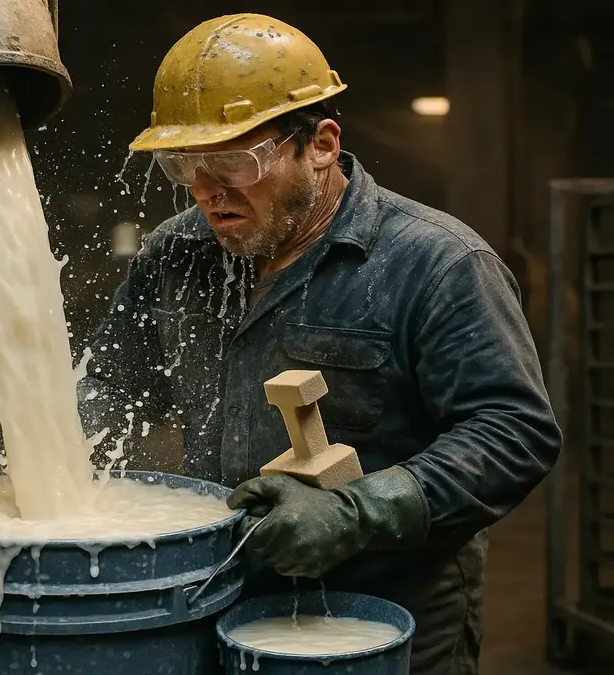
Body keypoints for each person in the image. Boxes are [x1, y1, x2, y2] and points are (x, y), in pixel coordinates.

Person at [77, 12, 562, 675]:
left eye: (233, 161)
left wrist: (356, 511)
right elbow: (113, 383)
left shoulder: (435, 263)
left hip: (379, 621)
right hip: (213, 600)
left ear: (322, 144)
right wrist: (23, 439)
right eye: (184, 165)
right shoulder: (176, 253)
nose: (206, 191)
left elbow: (514, 431)